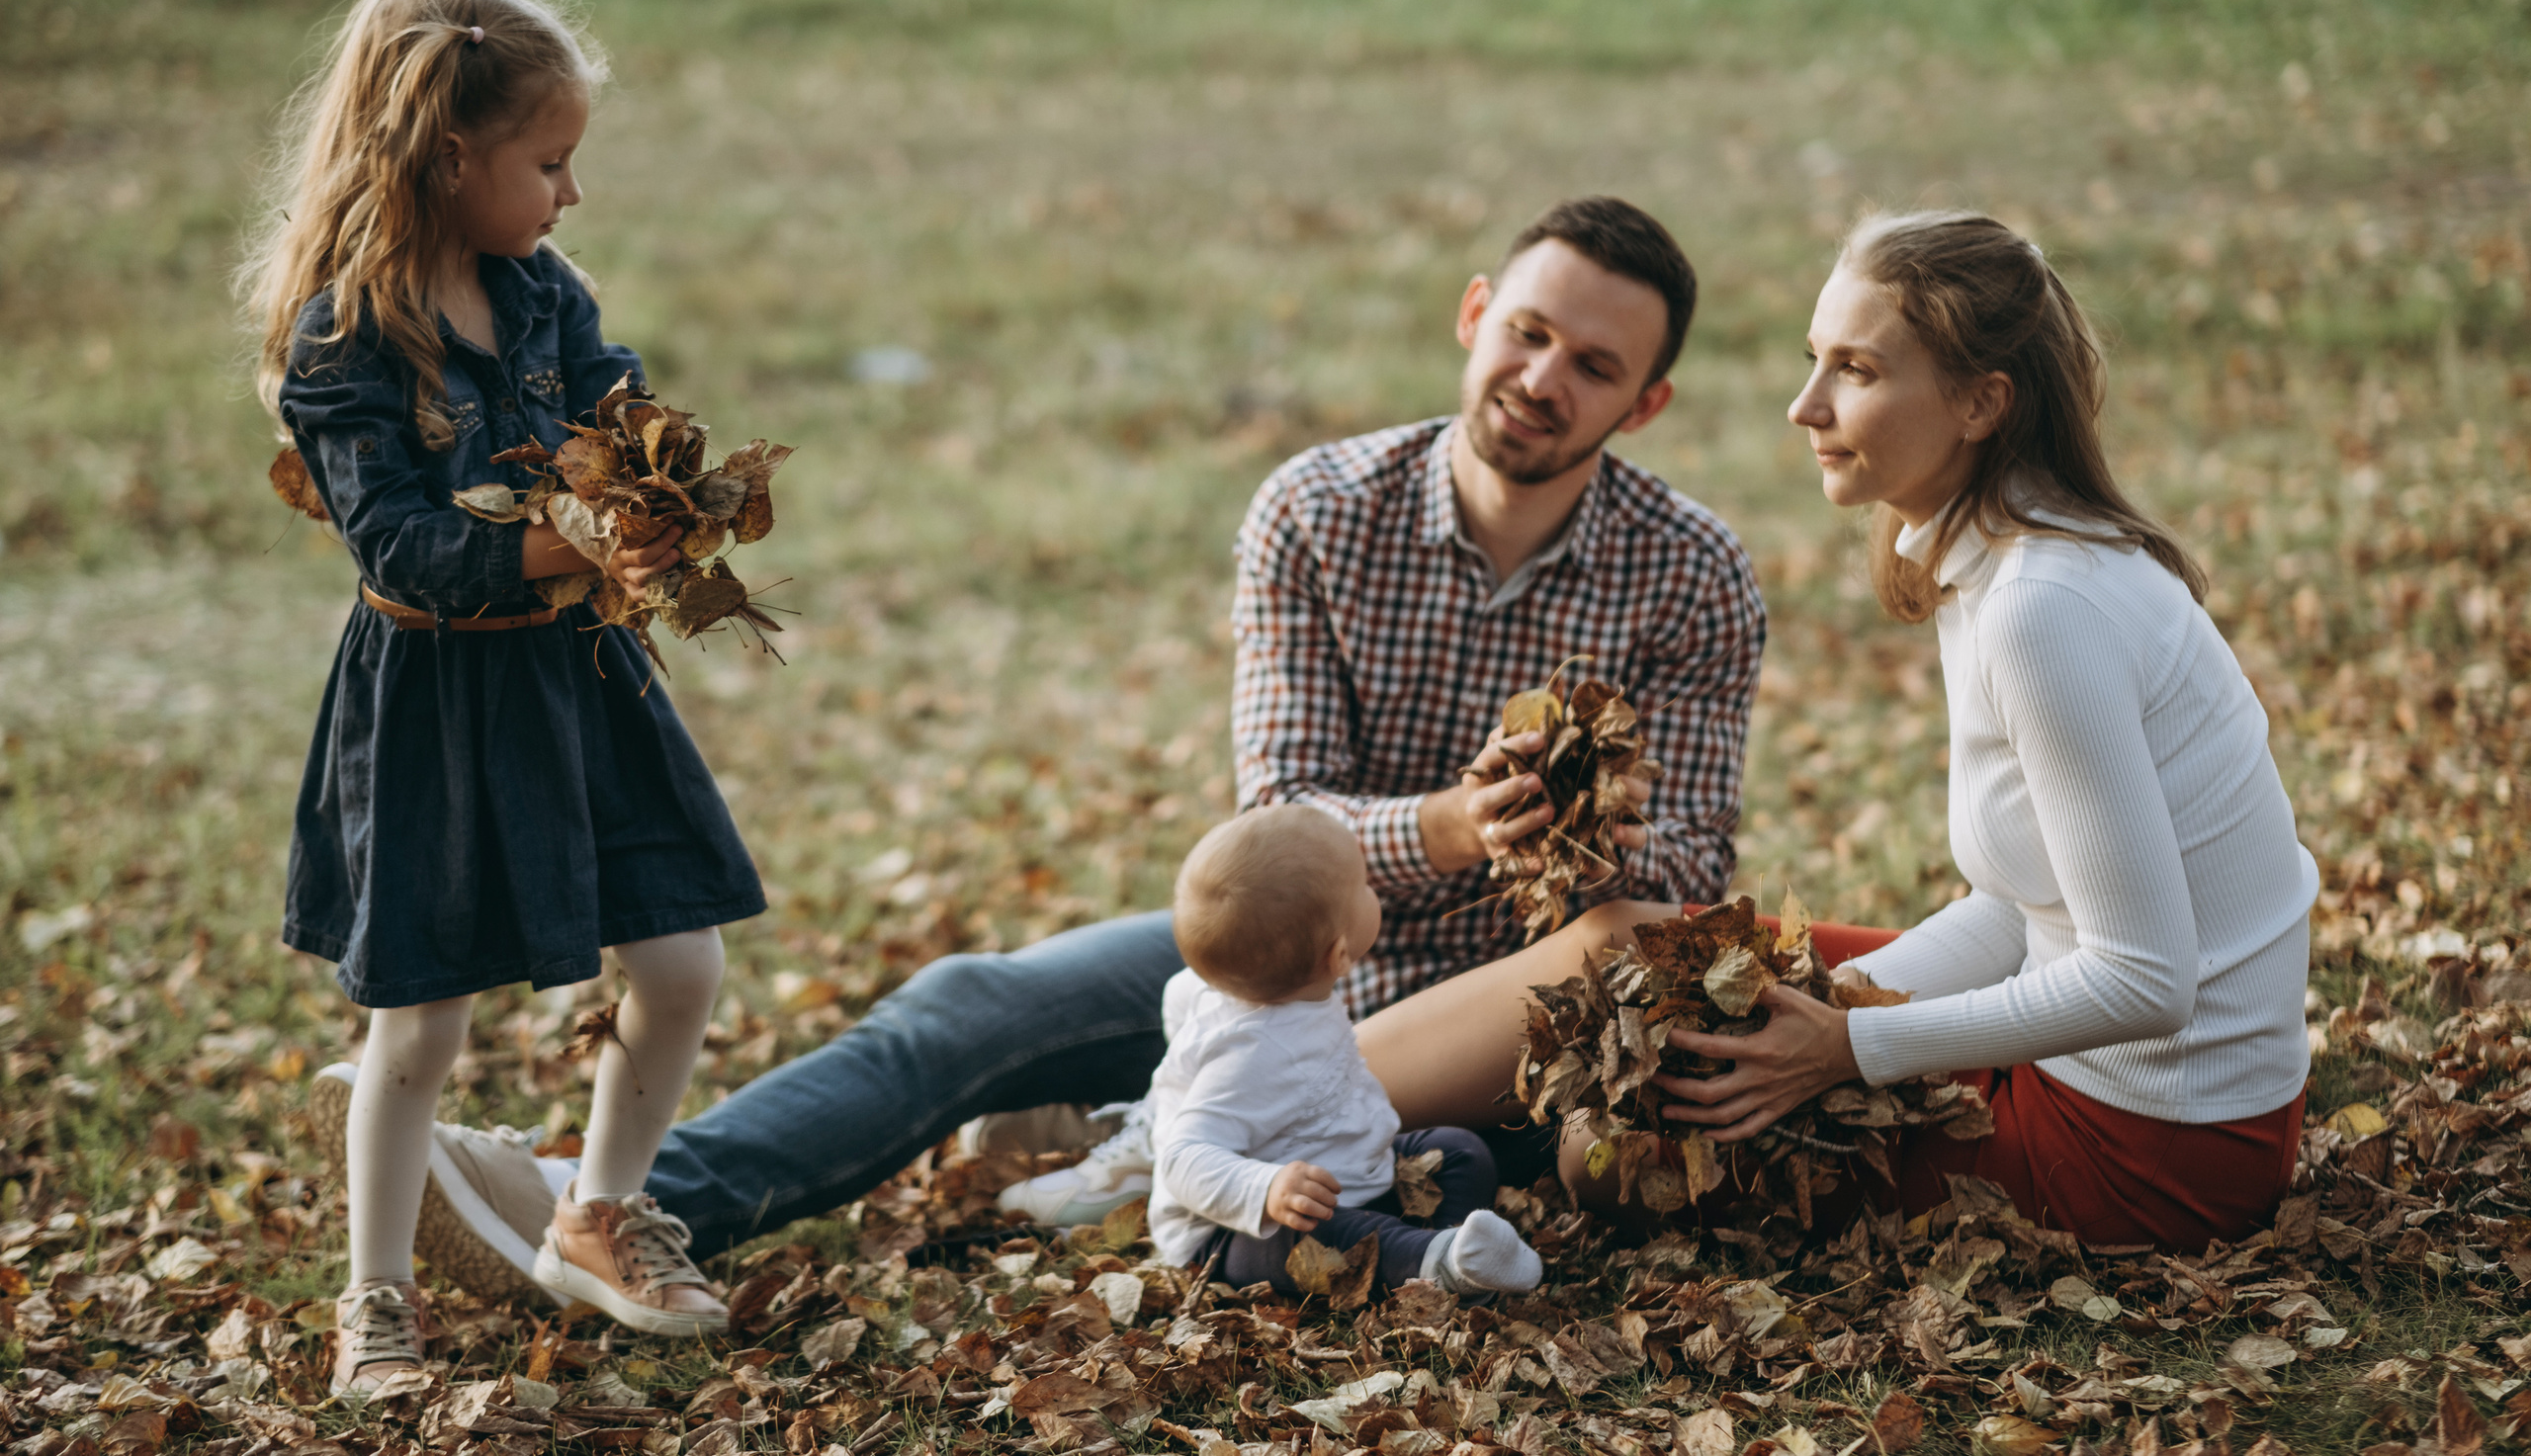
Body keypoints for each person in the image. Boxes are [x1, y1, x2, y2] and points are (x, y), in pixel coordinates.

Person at [349, 195, 1764, 1284]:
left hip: (1503, 1013)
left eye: (1592, 365)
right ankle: (624, 1198)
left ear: (1643, 404)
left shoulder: (1695, 570)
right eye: (1528, 330)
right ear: (1474, 313)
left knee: (1621, 942)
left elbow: (1685, 873)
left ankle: (1154, 1126)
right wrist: (1448, 826)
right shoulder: (1317, 509)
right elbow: (1272, 812)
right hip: (1276, 951)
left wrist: (1573, 824)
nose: (1542, 377)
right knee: (972, 999)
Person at [1353, 210, 2315, 1254]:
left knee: (1611, 1150)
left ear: (1980, 403)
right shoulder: (1991, 559)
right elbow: (2023, 907)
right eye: (1814, 361)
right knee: (1630, 957)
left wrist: (1849, 1045)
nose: (1803, 406)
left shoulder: (2046, 608)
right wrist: (1825, 1003)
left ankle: (1268, 1122)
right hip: (2078, 1063)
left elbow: (2145, 979)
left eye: (1854, 371)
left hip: (2146, 1149)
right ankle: (1268, 1110)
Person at [251, 0, 764, 1393]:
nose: (570, 194)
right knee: (419, 1018)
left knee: (676, 954)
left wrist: (665, 497)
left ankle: (595, 1211)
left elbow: (621, 405)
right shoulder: (345, 337)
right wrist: (569, 539)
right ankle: (377, 1303)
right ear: (447, 153)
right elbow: (406, 546)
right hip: (435, 696)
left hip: (576, 678)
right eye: (550, 162)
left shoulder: (541, 291)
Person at [1150, 808, 1540, 1297]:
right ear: (1337, 956)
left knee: (1460, 1151)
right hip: (1235, 1231)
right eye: (1363, 886)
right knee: (1323, 1240)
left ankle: (1449, 1247)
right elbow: (1182, 1158)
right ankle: (1434, 1263)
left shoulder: (1252, 991)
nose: (1372, 888)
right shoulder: (1251, 1054)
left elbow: (1180, 998)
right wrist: (1265, 1188)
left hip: (1347, 1166)